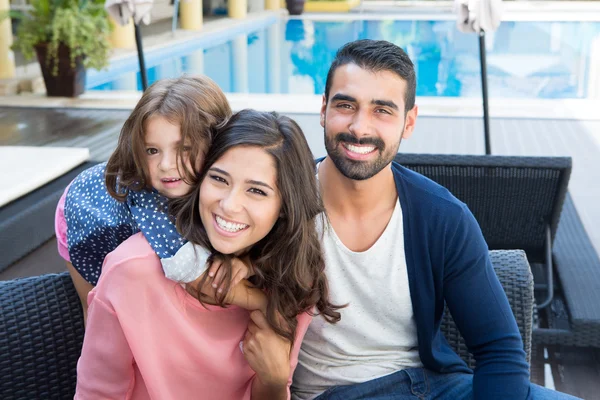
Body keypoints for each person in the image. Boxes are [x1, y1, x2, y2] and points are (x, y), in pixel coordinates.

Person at [290, 39, 580, 400]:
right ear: (323, 110)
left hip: (434, 387)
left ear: (408, 122)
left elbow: (500, 350)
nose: (359, 127)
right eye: (346, 105)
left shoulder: (442, 217)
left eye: (382, 110)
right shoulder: (283, 203)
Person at [74, 109, 341, 400]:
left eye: (256, 191)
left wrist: (275, 380)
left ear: (285, 207)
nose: (229, 205)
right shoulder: (132, 269)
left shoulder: (291, 280)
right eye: (219, 179)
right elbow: (96, 394)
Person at [54, 75, 247, 322]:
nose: (166, 165)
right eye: (152, 150)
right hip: (82, 212)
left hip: (104, 192)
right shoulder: (149, 198)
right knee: (100, 311)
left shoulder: (220, 177)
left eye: (184, 148)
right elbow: (192, 274)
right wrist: (261, 302)